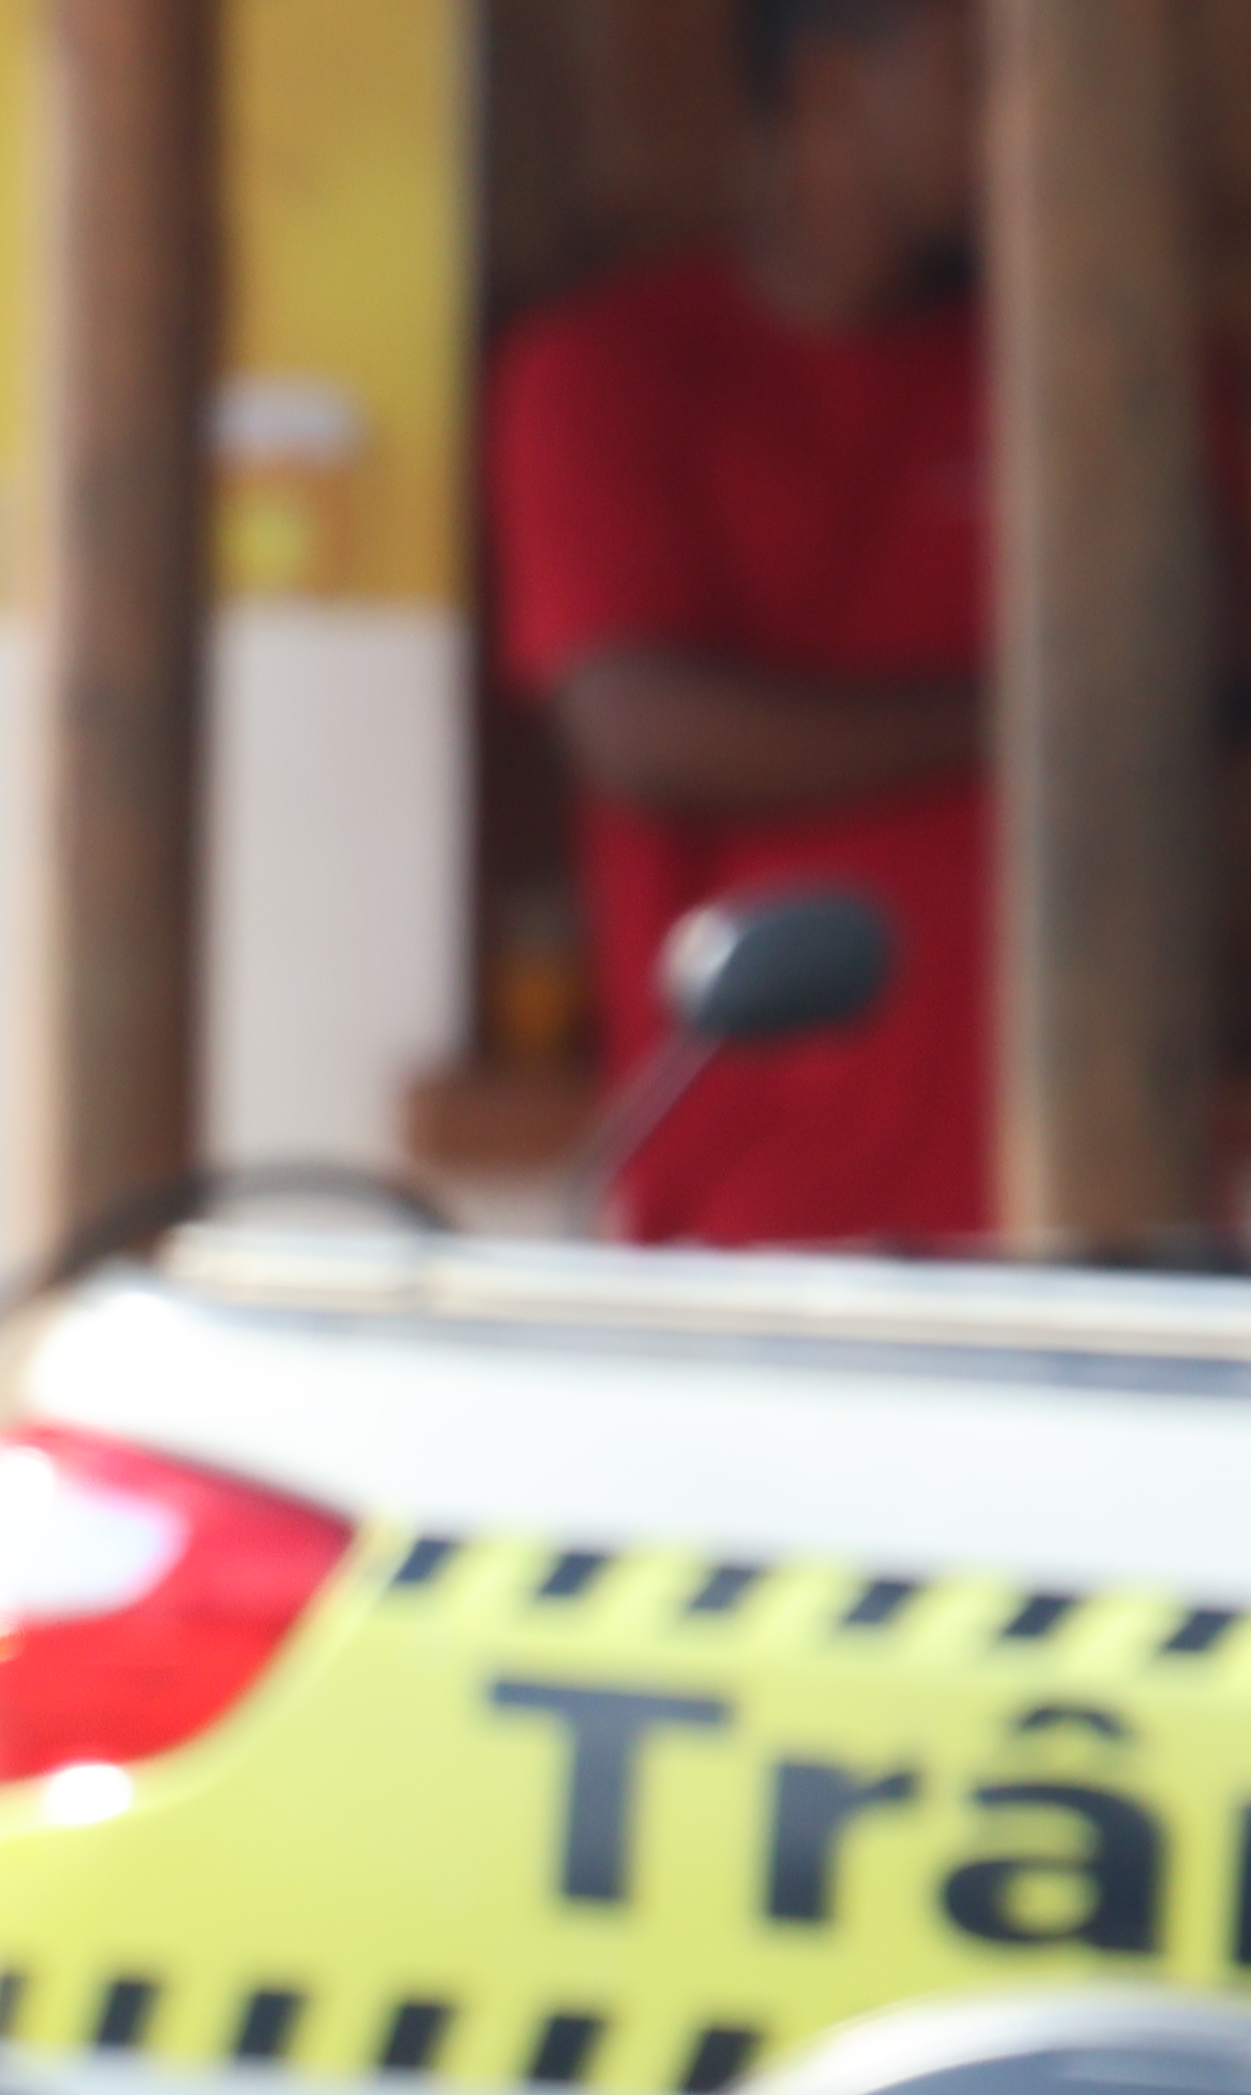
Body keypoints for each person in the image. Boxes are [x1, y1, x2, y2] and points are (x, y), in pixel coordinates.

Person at [487, 0, 997, 1243]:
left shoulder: (1099, 383)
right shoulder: (606, 372)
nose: (1022, 124)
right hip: (749, 1216)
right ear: (828, 85)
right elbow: (645, 732)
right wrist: (1044, 713)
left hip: (1098, 1205)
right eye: (979, 73)